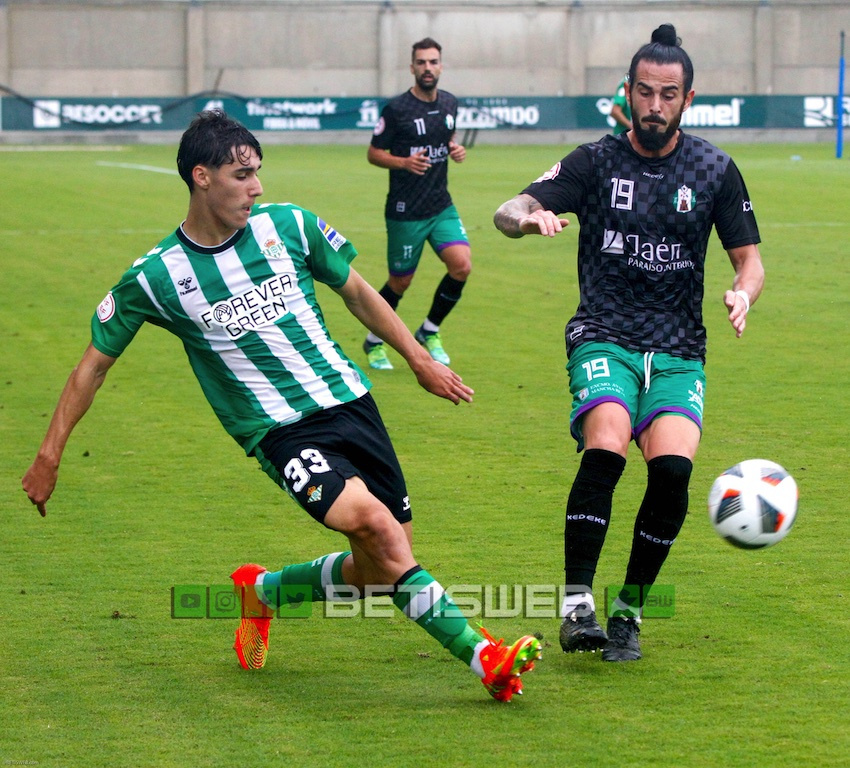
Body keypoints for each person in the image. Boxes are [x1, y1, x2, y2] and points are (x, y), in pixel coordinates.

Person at [22, 109, 541, 701]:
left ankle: (262, 591)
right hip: (278, 429)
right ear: (201, 177)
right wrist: (49, 454)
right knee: (376, 530)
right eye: (242, 174)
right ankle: (486, 658)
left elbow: (357, 292)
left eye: (258, 172)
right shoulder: (158, 276)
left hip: (351, 402)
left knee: (380, 567)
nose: (257, 186)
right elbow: (93, 364)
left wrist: (420, 360)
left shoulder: (291, 225)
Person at [494, 24, 764, 662]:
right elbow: (509, 209)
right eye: (643, 92)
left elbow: (749, 260)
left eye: (667, 95)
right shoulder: (595, 161)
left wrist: (743, 292)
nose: (653, 106)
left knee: (672, 474)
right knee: (608, 446)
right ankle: (576, 605)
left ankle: (629, 613)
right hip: (604, 335)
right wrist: (526, 218)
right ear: (628, 92)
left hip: (677, 346)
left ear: (687, 99)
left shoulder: (714, 169)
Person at [363, 37, 471, 371]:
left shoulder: (451, 103)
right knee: (400, 282)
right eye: (421, 62)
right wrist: (404, 163)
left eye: (433, 62)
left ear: (441, 66)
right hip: (405, 211)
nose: (428, 68)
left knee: (461, 266)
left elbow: (446, 139)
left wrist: (455, 149)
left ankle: (429, 331)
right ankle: (373, 340)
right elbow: (373, 153)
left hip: (441, 206)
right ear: (412, 68)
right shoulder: (396, 110)